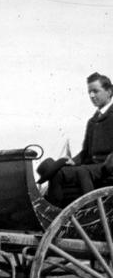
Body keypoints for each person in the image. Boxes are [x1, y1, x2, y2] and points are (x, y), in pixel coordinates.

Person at [37, 72, 113, 206]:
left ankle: (91, 212)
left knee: (82, 170)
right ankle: (55, 211)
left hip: (108, 167)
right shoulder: (92, 121)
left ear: (109, 91)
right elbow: (85, 152)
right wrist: (73, 161)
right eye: (89, 92)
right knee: (58, 172)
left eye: (95, 91)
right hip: (93, 169)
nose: (91, 96)